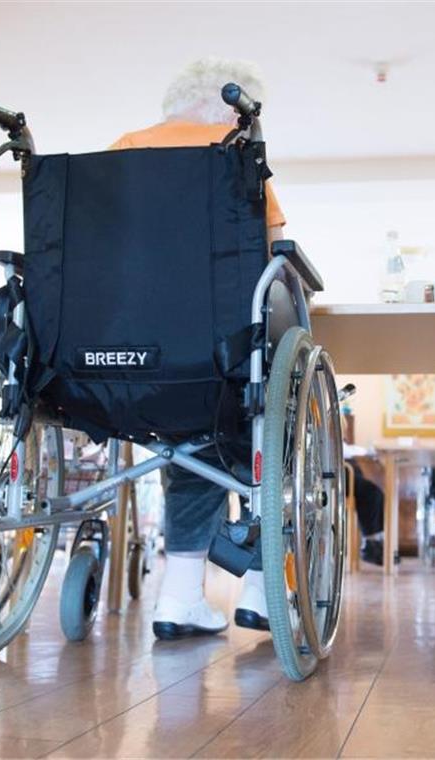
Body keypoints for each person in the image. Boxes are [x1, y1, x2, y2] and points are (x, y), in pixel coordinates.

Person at [110, 57, 285, 640]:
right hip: (218, 363)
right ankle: (261, 587)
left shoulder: (120, 152)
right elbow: (274, 258)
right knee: (261, 414)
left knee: (187, 434)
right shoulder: (238, 159)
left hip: (121, 363)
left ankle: (180, 596)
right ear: (231, 106)